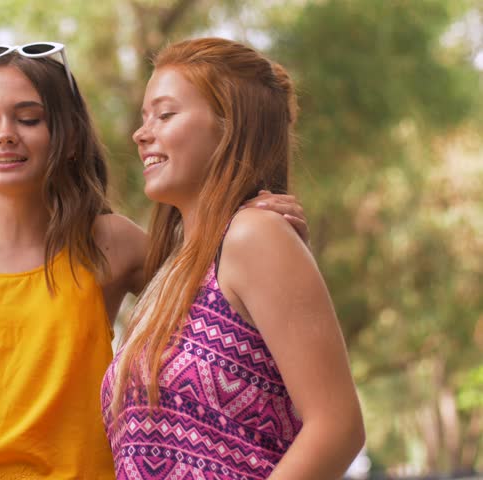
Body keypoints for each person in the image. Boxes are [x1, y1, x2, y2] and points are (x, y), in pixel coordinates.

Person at [0, 42, 309, 479]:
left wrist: (259, 219)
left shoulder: (110, 243)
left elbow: (225, 291)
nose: (5, 135)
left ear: (69, 135)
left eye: (28, 118)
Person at [101, 37, 365, 479]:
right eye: (145, 117)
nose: (141, 132)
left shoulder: (252, 235)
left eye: (165, 114)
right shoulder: (176, 270)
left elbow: (337, 427)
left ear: (229, 127)